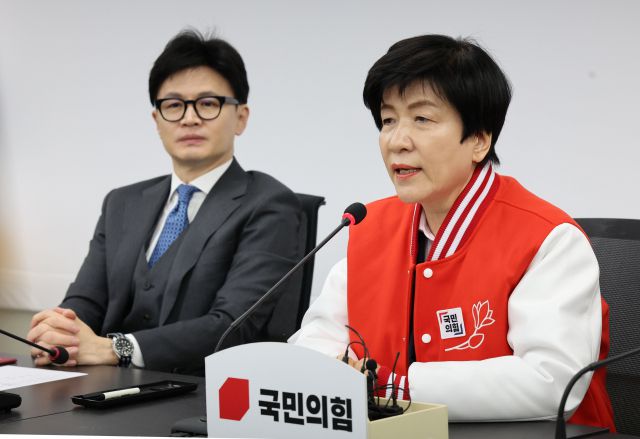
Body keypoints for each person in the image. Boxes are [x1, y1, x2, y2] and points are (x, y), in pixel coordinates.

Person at [290, 34, 614, 429]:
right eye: (388, 120)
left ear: (479, 139)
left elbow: (550, 382)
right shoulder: (368, 225)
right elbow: (316, 340)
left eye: (422, 119)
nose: (397, 141)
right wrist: (336, 376)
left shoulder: (549, 239)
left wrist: (393, 385)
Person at [27, 30, 303, 375]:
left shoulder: (270, 205)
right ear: (157, 121)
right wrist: (60, 331)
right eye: (173, 105)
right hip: (103, 387)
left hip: (201, 392)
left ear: (241, 117)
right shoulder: (121, 203)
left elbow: (232, 326)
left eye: (208, 103)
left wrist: (116, 349)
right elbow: (86, 301)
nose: (189, 118)